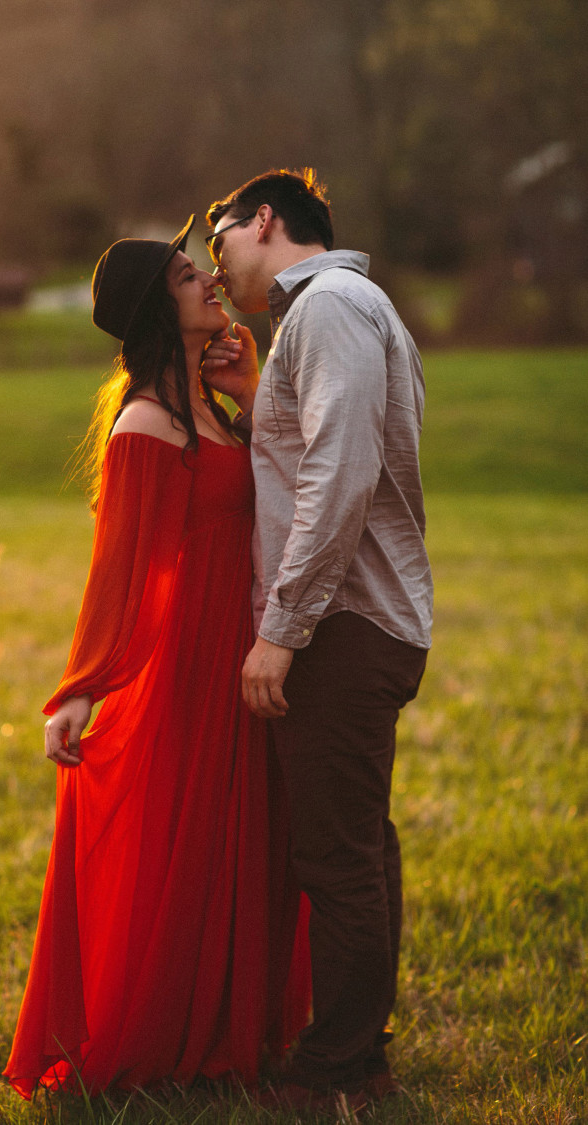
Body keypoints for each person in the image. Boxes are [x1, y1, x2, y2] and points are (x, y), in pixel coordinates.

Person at [3, 216, 311, 1100]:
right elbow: (121, 570)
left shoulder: (209, 409)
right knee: (189, 847)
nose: (209, 280)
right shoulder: (144, 423)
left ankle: (229, 1029)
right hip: (188, 664)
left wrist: (250, 391)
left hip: (243, 650)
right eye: (186, 277)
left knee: (243, 841)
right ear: (154, 309)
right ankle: (170, 1041)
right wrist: (82, 688)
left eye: (199, 269)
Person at [203, 169, 433, 1113]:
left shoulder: (331, 306)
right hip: (361, 616)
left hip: (340, 624)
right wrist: (260, 392)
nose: (213, 267)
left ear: (263, 222)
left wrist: (281, 630)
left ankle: (334, 1070)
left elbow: (338, 475)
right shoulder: (335, 311)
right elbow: (316, 449)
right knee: (358, 845)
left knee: (334, 855)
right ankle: (360, 1052)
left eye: (218, 240)